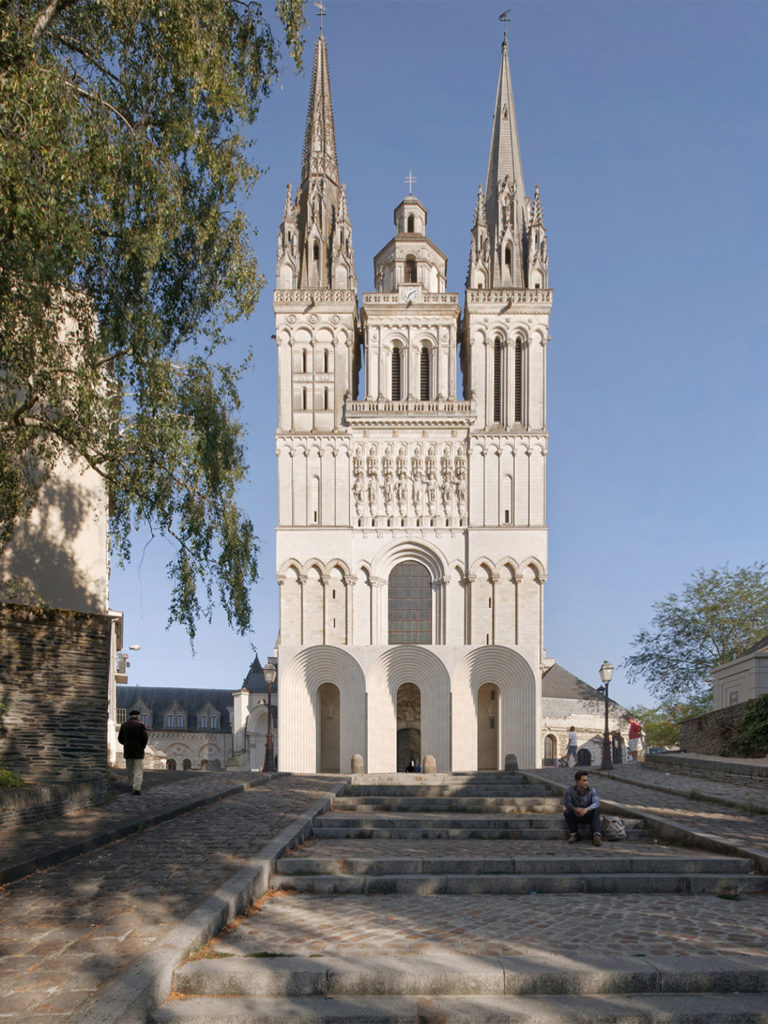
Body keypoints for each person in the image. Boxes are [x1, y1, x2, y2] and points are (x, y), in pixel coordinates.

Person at [564, 769, 602, 846]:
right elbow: (567, 803)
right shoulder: (570, 790)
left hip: (587, 814)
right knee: (567, 812)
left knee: (596, 810)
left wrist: (586, 809)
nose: (586, 783)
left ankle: (596, 836)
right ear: (577, 781)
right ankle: (575, 835)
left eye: (587, 780)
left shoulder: (591, 790)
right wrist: (575, 809)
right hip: (576, 814)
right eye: (584, 780)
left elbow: (596, 803)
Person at [118, 710, 148, 795]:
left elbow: (120, 739)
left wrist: (126, 744)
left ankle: (131, 785)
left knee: (130, 769)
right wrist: (142, 746)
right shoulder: (141, 725)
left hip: (128, 750)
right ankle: (137, 788)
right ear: (138, 716)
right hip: (138, 750)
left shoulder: (124, 725)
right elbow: (145, 737)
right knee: (138, 770)